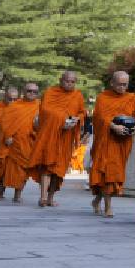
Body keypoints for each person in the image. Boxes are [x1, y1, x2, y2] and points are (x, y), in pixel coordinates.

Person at [28, 71, 87, 208]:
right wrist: (63, 119)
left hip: (66, 137)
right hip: (50, 136)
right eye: (67, 81)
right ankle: (42, 197)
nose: (69, 84)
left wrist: (78, 119)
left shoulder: (77, 95)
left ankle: (50, 197)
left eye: (72, 82)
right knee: (47, 166)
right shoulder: (50, 92)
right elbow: (45, 110)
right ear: (61, 80)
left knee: (59, 170)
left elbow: (81, 112)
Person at [90, 71, 135, 218]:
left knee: (114, 174)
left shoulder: (131, 98)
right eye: (119, 84)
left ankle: (98, 199)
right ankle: (108, 207)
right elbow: (98, 118)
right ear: (112, 83)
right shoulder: (103, 98)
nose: (122, 87)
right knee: (107, 172)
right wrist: (113, 126)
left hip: (123, 142)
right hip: (107, 141)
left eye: (125, 84)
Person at [0, 83, 40, 202]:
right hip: (13, 142)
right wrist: (7, 136)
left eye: (35, 92)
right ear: (23, 91)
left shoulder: (40, 106)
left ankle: (17, 194)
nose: (32, 93)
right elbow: (5, 122)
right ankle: (1, 190)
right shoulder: (15, 106)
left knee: (24, 169)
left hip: (29, 142)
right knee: (6, 168)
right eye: (29, 91)